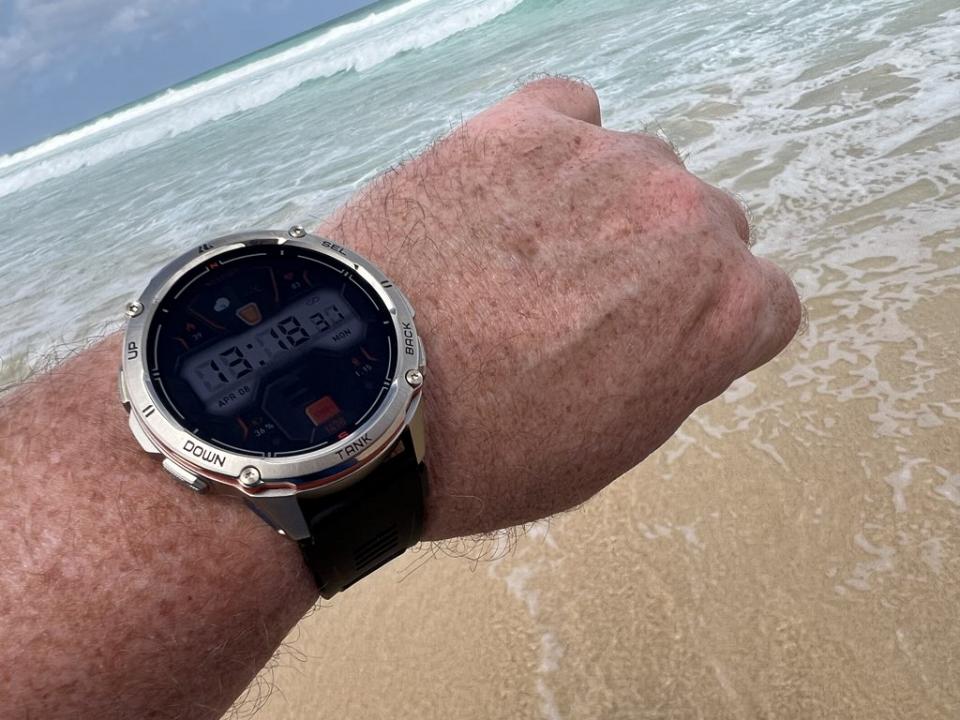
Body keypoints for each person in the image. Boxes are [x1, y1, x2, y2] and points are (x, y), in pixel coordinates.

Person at [0, 77, 800, 719]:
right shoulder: (178, 431)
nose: (271, 351)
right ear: (155, 424)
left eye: (299, 326)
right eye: (238, 362)